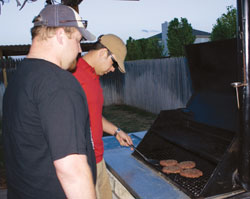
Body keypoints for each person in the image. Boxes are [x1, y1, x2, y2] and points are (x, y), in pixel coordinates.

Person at [2, 4, 97, 199]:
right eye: (78, 40)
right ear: (61, 35)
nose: (79, 50)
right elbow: (72, 171)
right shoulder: (59, 84)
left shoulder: (18, 78)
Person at [72, 34, 133, 199]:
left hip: (98, 159)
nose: (113, 69)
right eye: (114, 64)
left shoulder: (93, 77)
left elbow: (93, 116)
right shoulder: (73, 76)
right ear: (103, 52)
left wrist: (116, 131)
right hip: (84, 164)